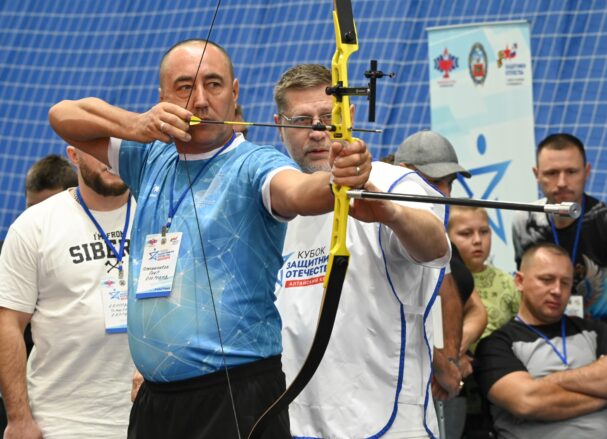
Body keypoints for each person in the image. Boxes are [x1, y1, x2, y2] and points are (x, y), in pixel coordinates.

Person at [48, 40, 372, 438]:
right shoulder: (149, 157)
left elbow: (300, 192)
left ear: (234, 93)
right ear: (163, 97)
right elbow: (62, 114)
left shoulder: (255, 164)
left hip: (235, 396)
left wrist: (338, 178)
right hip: (155, 401)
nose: (200, 100)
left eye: (214, 84)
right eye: (185, 87)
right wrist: (134, 124)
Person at [273, 64, 450, 438]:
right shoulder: (278, 198)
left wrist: (390, 212)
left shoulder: (391, 181)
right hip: (297, 421)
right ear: (279, 126)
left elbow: (436, 247)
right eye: (302, 120)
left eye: (329, 116)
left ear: (350, 114)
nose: (318, 130)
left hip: (389, 423)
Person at [0, 146, 135, 438]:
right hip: (63, 421)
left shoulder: (160, 211)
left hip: (154, 415)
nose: (112, 158)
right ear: (74, 156)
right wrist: (18, 418)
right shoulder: (34, 225)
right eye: (100, 148)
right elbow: (8, 323)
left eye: (120, 146)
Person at [474, 243, 607, 439]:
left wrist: (550, 382)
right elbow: (527, 402)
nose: (557, 290)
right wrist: (603, 395)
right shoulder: (496, 345)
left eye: (565, 283)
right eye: (546, 280)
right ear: (519, 281)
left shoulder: (595, 331)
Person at [512, 133, 607, 349]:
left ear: (587, 172)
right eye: (551, 173)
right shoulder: (525, 222)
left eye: (571, 172)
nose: (562, 182)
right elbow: (526, 292)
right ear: (536, 174)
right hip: (547, 349)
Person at [393, 130, 488, 438]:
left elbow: (474, 309)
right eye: (434, 182)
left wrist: (452, 356)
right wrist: (440, 363)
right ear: (402, 173)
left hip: (441, 380)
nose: (445, 193)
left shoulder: (441, 238)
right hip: (401, 384)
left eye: (450, 182)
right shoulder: (383, 231)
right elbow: (393, 321)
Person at [0, 153, 79, 432]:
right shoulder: (14, 245)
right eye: (30, 207)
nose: (36, 217)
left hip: (73, 391)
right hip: (19, 391)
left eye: (47, 207)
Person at [447, 205, 520, 437]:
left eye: (484, 232)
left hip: (498, 384)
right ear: (446, 237)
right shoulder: (442, 279)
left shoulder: (507, 282)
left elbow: (520, 331)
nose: (478, 240)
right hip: (453, 384)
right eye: (466, 233)